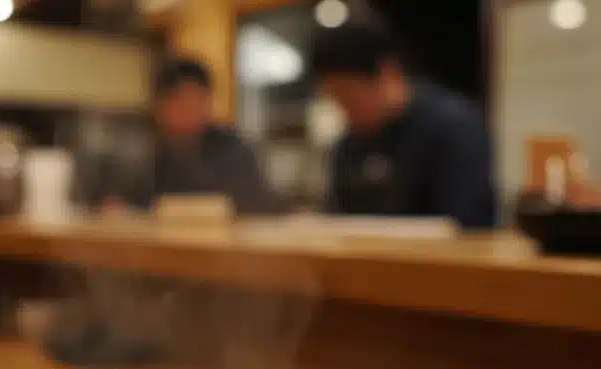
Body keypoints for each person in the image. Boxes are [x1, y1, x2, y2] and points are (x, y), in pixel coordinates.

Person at [311, 22, 497, 230]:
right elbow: (335, 220)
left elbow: (470, 226)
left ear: (388, 73)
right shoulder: (348, 147)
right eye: (336, 100)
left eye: (348, 97)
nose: (344, 112)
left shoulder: (455, 128)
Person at [107, 58, 283, 215]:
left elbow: (260, 208)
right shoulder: (145, 155)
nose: (191, 114)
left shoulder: (232, 149)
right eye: (181, 104)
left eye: (198, 103)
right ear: (159, 107)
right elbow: (121, 205)